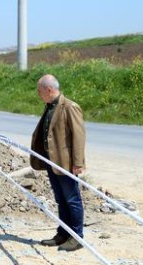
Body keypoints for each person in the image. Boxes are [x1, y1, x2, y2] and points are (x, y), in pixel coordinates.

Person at [30, 74, 86, 251]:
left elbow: (79, 136)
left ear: (49, 89)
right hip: (51, 162)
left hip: (66, 163)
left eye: (40, 91)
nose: (39, 95)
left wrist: (78, 162)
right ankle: (63, 233)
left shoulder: (69, 107)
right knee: (61, 200)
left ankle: (76, 238)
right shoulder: (50, 106)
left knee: (72, 200)